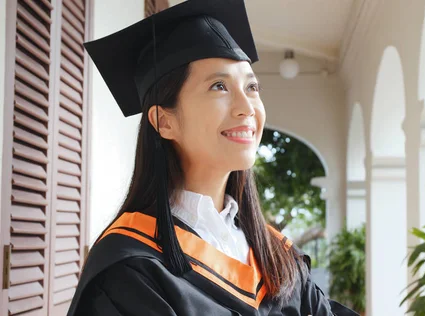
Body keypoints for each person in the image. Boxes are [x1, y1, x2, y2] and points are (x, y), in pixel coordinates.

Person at [66, 0, 358, 315]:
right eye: (219, 86)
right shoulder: (130, 270)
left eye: (252, 86)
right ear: (164, 121)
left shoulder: (277, 256)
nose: (246, 107)